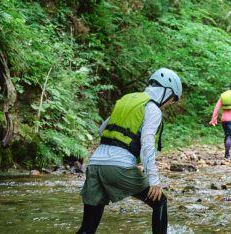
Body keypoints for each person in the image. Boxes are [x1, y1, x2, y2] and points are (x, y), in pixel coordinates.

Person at [77, 68, 182, 234]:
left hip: (95, 164)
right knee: (159, 200)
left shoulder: (128, 100)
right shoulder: (153, 109)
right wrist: (154, 180)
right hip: (118, 167)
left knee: (87, 229)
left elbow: (102, 130)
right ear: (167, 91)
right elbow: (147, 143)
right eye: (173, 99)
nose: (170, 104)